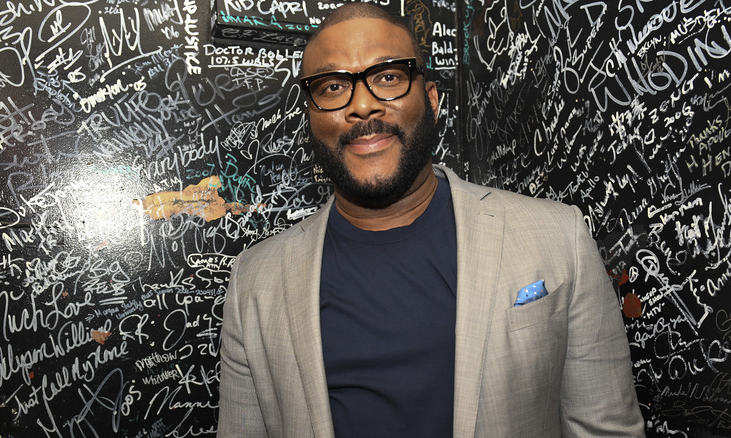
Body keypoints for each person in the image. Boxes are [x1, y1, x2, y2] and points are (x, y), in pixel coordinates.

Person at [217, 3, 645, 437]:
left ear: (433, 100)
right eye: (331, 86)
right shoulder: (255, 282)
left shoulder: (559, 238)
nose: (362, 106)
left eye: (388, 77)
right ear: (311, 118)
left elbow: (606, 429)